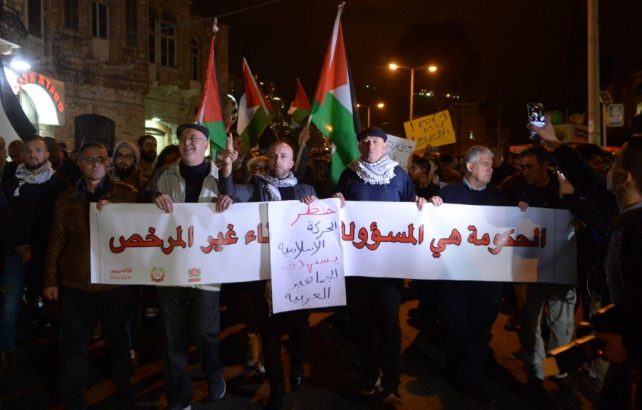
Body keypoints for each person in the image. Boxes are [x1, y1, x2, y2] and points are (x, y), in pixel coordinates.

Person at [530, 117, 641, 409]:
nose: (607, 168)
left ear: (626, 178)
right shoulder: (625, 217)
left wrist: (631, 343)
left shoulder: (636, 231)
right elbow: (591, 184)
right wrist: (554, 143)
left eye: (615, 163)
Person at [218, 137, 317, 410]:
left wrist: (316, 205)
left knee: (299, 328)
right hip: (265, 274)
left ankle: (296, 366)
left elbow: (321, 220)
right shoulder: (256, 186)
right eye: (273, 155)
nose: (277, 160)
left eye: (283, 156)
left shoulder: (306, 189)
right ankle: (277, 389)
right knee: (269, 334)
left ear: (292, 162)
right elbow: (231, 195)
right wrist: (227, 169)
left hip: (298, 273)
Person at [334, 126, 425, 402]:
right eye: (365, 141)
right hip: (358, 267)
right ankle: (369, 375)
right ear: (359, 146)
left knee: (389, 324)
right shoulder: (349, 174)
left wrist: (422, 203)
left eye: (376, 141)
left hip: (388, 268)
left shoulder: (399, 175)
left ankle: (392, 381)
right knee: (362, 324)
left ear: (385, 146)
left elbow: (412, 212)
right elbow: (335, 211)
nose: (371, 146)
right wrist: (335, 201)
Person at [43, 141, 137, 409]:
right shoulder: (66, 199)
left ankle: (124, 386)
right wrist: (50, 280)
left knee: (117, 340)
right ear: (80, 163)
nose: (95, 164)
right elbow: (56, 242)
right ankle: (73, 398)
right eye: (88, 159)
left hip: (113, 284)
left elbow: (145, 227)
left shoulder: (127, 195)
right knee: (73, 345)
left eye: (100, 159)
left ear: (108, 162)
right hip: (77, 283)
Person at [146, 123, 226, 410]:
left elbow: (244, 198)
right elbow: (141, 202)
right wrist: (153, 198)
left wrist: (231, 195)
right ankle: (179, 397)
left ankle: (213, 373)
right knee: (172, 337)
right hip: (170, 268)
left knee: (204, 332)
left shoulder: (222, 176)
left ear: (206, 145)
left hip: (208, 270)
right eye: (183, 137)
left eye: (194, 138)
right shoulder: (161, 175)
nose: (187, 142)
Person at [429, 145, 510, 402]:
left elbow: (513, 229)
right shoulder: (447, 194)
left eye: (492, 165)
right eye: (485, 164)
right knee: (455, 329)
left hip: (487, 281)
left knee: (480, 333)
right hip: (454, 281)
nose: (491, 169)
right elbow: (429, 228)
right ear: (469, 166)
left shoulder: (500, 197)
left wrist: (521, 211)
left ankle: (473, 381)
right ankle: (453, 371)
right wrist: (428, 207)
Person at [502, 145, 578, 397]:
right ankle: (536, 372)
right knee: (531, 322)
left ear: (546, 166)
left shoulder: (564, 187)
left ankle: (555, 369)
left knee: (562, 324)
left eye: (530, 167)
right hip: (532, 266)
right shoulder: (516, 189)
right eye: (522, 167)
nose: (524, 172)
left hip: (563, 265)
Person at [0, 136, 69, 377]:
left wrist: (38, 249)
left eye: (38, 150)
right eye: (28, 150)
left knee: (54, 306)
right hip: (15, 254)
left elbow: (59, 224)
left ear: (47, 154)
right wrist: (17, 245)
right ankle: (6, 351)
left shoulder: (59, 185)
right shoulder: (10, 184)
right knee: (9, 305)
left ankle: (59, 353)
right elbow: (4, 219)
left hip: (47, 256)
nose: (33, 154)